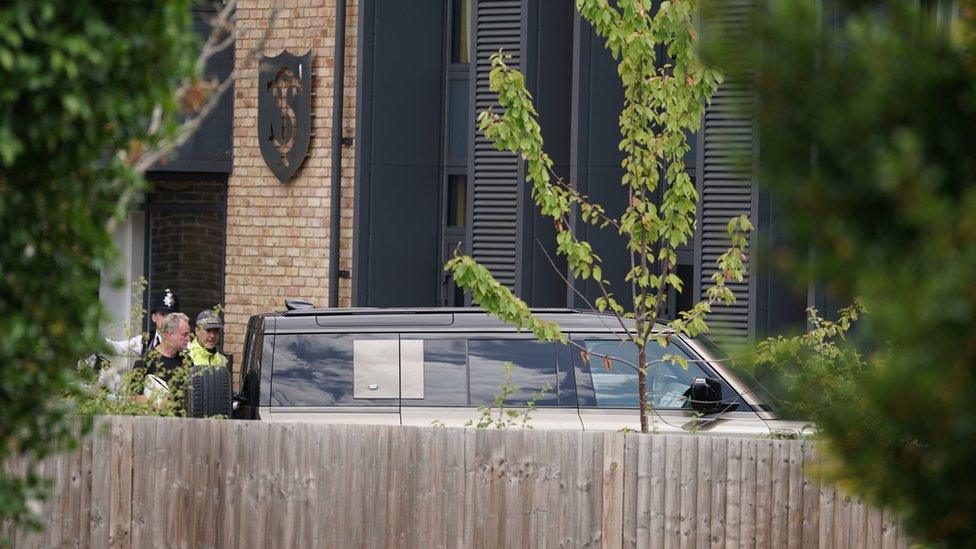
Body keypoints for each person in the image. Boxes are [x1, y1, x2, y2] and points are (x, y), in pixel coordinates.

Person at [103, 287, 181, 359]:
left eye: (171, 316)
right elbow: (119, 348)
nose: (167, 319)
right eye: (163, 314)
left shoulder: (184, 342)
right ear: (154, 317)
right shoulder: (144, 341)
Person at [139, 312, 192, 389]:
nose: (188, 339)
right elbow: (132, 396)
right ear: (170, 335)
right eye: (184, 335)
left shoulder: (187, 362)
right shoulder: (145, 361)